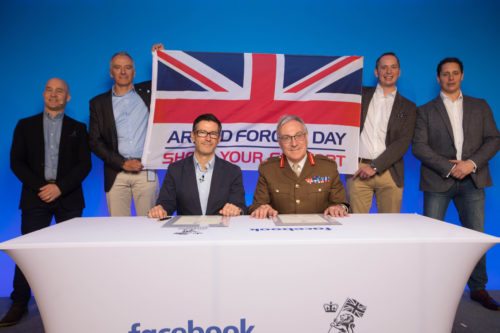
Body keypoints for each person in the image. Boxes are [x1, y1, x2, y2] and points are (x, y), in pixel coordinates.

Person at [0, 78, 91, 327]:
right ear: (43, 94)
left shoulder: (78, 128)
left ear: (68, 97)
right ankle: (19, 303)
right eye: (50, 90)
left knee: (69, 254)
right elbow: (16, 162)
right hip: (35, 197)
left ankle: (72, 301)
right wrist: (42, 188)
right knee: (26, 253)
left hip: (69, 197)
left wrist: (59, 187)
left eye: (59, 91)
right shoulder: (24, 125)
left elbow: (85, 164)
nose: (54, 95)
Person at [413, 57, 500, 310]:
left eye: (455, 73)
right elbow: (418, 146)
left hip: (473, 180)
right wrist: (451, 167)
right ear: (438, 78)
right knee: (431, 238)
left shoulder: (480, 106)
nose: (450, 77)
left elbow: (494, 139)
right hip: (437, 180)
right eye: (445, 74)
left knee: (476, 236)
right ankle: (429, 288)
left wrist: (470, 164)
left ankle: (479, 289)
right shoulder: (425, 110)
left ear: (462, 76)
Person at [89, 45, 163, 216]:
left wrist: (161, 57)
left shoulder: (149, 92)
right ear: (111, 73)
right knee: (118, 230)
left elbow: (169, 79)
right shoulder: (98, 103)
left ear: (134, 73)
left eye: (128, 67)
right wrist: (122, 163)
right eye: (117, 67)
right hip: (116, 174)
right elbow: (94, 141)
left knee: (149, 226)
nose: (123, 72)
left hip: (146, 170)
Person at [346, 52, 416, 213]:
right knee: (355, 228)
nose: (388, 71)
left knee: (391, 229)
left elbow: (403, 142)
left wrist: (375, 167)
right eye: (384, 67)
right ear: (376, 72)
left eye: (393, 67)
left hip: (390, 173)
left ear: (399, 72)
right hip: (358, 170)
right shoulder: (358, 95)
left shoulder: (408, 107)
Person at [248, 115, 349, 219]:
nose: (294, 143)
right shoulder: (268, 169)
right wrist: (262, 209)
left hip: (321, 232)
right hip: (281, 232)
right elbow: (257, 205)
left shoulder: (328, 167)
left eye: (299, 135)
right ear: (279, 143)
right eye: (286, 138)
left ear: (306, 137)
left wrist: (339, 207)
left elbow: (341, 203)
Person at [148, 113, 247, 218]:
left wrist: (237, 209)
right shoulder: (175, 169)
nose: (208, 138)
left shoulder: (232, 171)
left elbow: (240, 206)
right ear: (193, 136)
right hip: (185, 231)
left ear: (218, 139)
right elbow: (166, 203)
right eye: (202, 133)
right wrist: (160, 209)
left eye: (213, 134)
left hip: (220, 231)